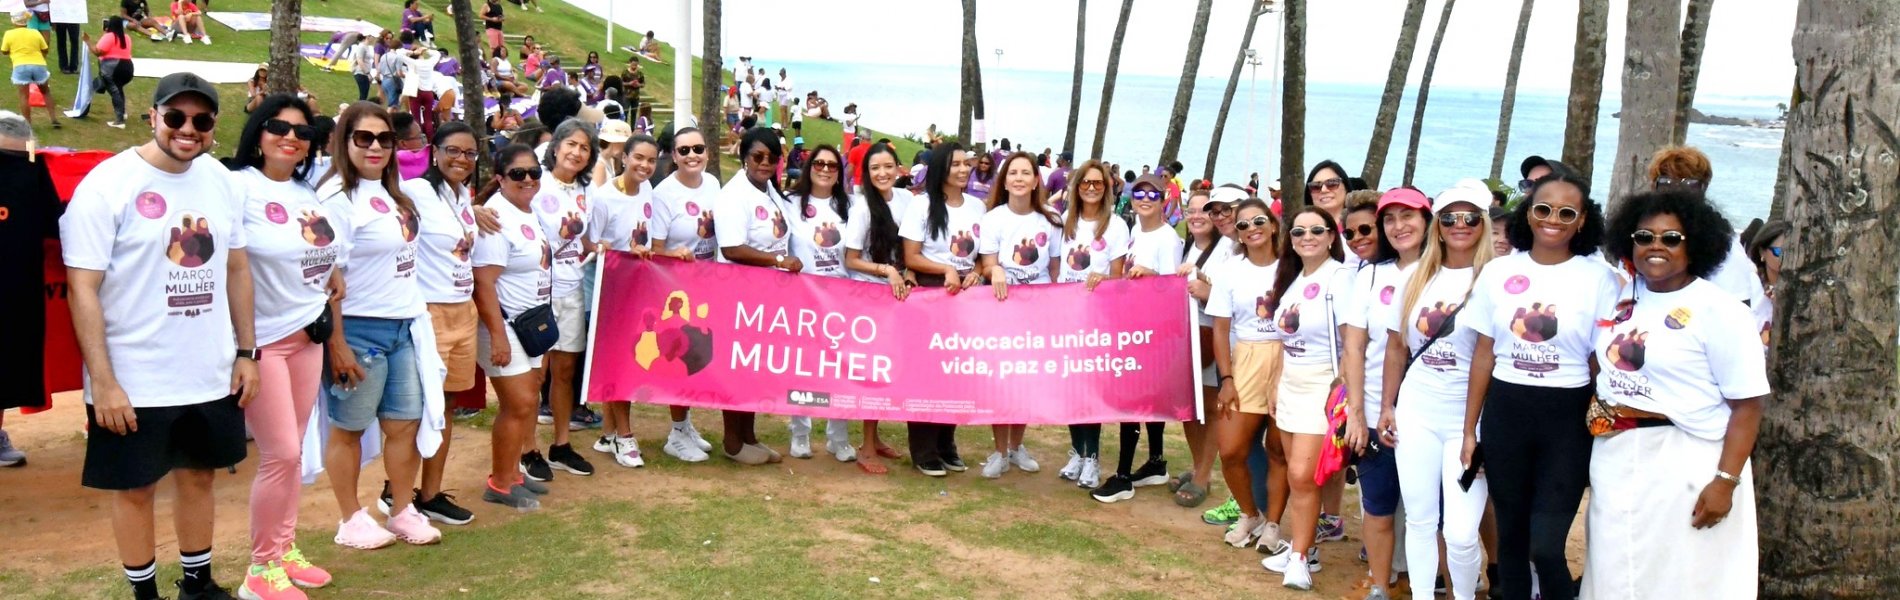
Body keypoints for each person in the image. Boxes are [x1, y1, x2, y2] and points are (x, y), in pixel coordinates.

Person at [62, 72, 252, 600]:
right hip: (134, 376)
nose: (188, 129)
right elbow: (82, 288)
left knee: (200, 476)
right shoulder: (107, 185)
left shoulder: (221, 180)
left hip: (208, 368)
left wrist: (246, 351)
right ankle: (144, 594)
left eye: (201, 120)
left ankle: (198, 584)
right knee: (135, 486)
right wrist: (104, 381)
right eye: (175, 117)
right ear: (153, 117)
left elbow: (237, 268)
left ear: (213, 125)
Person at [1583, 188, 1768, 598]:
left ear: (1695, 244)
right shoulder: (1621, 298)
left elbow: (1748, 406)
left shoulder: (1722, 311)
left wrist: (1725, 482)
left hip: (1686, 459)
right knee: (1617, 569)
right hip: (1615, 455)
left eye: (1671, 238)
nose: (1656, 247)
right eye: (1644, 237)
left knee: (1683, 574)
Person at [1459, 172, 1618, 600]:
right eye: (1544, 209)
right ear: (1528, 214)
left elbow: (1601, 360)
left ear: (1582, 221)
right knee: (1510, 539)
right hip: (1506, 411)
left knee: (1545, 548)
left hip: (1567, 418)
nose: (1553, 220)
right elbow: (1484, 354)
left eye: (1566, 213)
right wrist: (1470, 430)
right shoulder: (1498, 272)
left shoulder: (1600, 278)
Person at [225, 93, 339, 600]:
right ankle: (260, 569)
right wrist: (244, 350)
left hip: (306, 336)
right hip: (262, 343)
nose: (290, 137)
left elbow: (315, 245)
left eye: (302, 131)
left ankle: (284, 548)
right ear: (258, 131)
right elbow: (231, 265)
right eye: (278, 127)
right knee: (281, 454)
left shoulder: (304, 188)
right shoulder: (236, 186)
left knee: (292, 454)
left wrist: (332, 271)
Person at [318, 101, 443, 551]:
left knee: (404, 424)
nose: (375, 147)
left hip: (404, 327)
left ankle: (402, 509)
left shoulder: (397, 194)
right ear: (344, 141)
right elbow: (327, 278)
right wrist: (337, 343)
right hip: (357, 329)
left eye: (384, 138)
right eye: (364, 138)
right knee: (348, 428)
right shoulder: (335, 200)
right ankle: (350, 518)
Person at [1379, 184, 1496, 600]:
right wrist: (1387, 406)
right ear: (1437, 227)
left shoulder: (1496, 279)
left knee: (1462, 533)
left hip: (1472, 420)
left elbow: (1493, 356)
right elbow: (1396, 347)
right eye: (1449, 218)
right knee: (1420, 520)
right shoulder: (1415, 277)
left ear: (1484, 223)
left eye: (1470, 217)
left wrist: (1474, 431)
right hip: (1417, 412)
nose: (1459, 225)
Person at [1338, 184, 1439, 600]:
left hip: (1431, 409)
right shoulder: (1371, 276)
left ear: (1427, 221)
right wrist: (1356, 412)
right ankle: (1381, 584)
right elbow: (1354, 347)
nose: (1399, 227)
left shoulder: (1446, 273)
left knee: (1431, 513)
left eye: (1408, 216)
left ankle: (1434, 583)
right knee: (1377, 503)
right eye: (1390, 219)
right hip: (1375, 410)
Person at [385, 121, 486, 527]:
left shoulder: (461, 195)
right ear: (435, 151)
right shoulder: (415, 191)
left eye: (470, 153)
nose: (462, 159)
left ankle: (430, 494)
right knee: (420, 407)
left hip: (463, 309)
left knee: (447, 406)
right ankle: (396, 491)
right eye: (453, 151)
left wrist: (477, 210)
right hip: (430, 312)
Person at [1256, 205, 1347, 591]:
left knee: (1301, 474)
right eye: (1298, 232)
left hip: (1322, 386)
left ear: (1331, 236)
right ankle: (1302, 547)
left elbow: (1353, 341)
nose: (1307, 238)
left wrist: (1342, 389)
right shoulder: (1292, 279)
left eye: (1316, 230)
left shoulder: (1340, 277)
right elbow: (1284, 341)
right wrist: (1275, 385)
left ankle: (1299, 560)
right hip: (1291, 386)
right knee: (1298, 477)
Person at [587, 134, 683, 468]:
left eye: (651, 160)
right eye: (638, 158)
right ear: (624, 157)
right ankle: (625, 437)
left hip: (637, 289)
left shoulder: (647, 191)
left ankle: (608, 433)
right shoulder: (603, 198)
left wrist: (670, 254)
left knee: (623, 360)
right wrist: (617, 253)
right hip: (610, 290)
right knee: (619, 363)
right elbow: (591, 246)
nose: (644, 165)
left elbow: (646, 243)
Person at [1090, 174, 1180, 503]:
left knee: (1133, 401)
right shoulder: (1136, 231)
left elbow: (1173, 288)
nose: (1145, 199)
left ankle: (1123, 476)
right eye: (1139, 193)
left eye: (1152, 195)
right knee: (1145, 400)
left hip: (1153, 331)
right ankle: (1156, 461)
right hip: (1134, 324)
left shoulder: (1168, 238)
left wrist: (1152, 276)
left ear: (1164, 199)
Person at [472, 143, 550, 510]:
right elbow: (483, 282)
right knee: (517, 403)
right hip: (505, 325)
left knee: (528, 400)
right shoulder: (496, 219)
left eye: (534, 172)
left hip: (530, 324)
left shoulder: (528, 211)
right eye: (518, 173)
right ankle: (500, 483)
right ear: (500, 178)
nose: (528, 179)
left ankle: (513, 472)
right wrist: (498, 336)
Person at [974, 152, 1059, 479]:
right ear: (1005, 181)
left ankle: (1016, 446)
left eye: (1026, 173)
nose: (1019, 178)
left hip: (1038, 310)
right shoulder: (993, 218)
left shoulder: (1051, 218)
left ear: (1036, 180)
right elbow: (987, 262)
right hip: (1002, 307)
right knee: (1002, 378)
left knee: (1026, 379)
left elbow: (1055, 267)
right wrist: (994, 270)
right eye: (1013, 173)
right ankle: (999, 451)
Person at [712, 126, 795, 465]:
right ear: (744, 157)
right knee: (738, 366)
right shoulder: (733, 196)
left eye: (772, 158)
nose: (765, 163)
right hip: (740, 292)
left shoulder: (769, 189)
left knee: (754, 366)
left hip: (767, 293)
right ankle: (733, 441)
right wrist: (778, 261)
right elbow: (731, 248)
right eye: (758, 156)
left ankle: (749, 435)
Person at [899, 141, 982, 476]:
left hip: (966, 297)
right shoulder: (921, 205)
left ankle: (947, 443)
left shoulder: (977, 206)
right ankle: (924, 449)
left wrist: (977, 271)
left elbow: (984, 254)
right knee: (927, 372)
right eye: (954, 164)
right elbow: (911, 256)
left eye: (965, 164)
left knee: (957, 373)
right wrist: (945, 269)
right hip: (931, 294)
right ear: (940, 169)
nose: (963, 170)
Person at [1206, 195, 1283, 545]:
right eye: (1243, 224)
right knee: (1231, 450)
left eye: (1259, 221)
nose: (1252, 228)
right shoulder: (1230, 270)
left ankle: (1274, 524)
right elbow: (1221, 329)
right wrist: (1226, 378)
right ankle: (1250, 513)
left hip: (1288, 357)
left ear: (1273, 224)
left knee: (1279, 451)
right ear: (1237, 233)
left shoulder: (1292, 264)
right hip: (1247, 357)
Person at [525, 119, 600, 479]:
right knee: (535, 373)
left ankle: (561, 445)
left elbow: (582, 238)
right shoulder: (534, 182)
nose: (576, 152)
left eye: (584, 147)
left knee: (565, 371)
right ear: (555, 147)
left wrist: (597, 247)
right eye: (571, 144)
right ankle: (527, 449)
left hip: (572, 288)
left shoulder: (587, 190)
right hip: (539, 292)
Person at [777, 144, 861, 462]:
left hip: (842, 297)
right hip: (803, 296)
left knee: (840, 368)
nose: (825, 169)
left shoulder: (851, 205)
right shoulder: (789, 203)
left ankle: (838, 436)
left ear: (839, 172)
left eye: (832, 165)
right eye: (819, 164)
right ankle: (800, 432)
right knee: (803, 366)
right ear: (809, 166)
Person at [1050, 159, 1129, 490]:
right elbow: (1055, 266)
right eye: (1086, 182)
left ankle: (1092, 457)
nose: (1092, 188)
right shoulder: (1065, 221)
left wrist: (1103, 281)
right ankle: (1078, 452)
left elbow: (1118, 276)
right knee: (1070, 388)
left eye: (1098, 183)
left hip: (1097, 318)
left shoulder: (1116, 226)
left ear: (1107, 187)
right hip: (1067, 314)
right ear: (1077, 186)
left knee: (1089, 389)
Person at [837, 142, 914, 474]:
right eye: (874, 168)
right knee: (873, 370)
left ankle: (877, 438)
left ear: (898, 168)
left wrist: (907, 272)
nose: (882, 173)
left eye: (887, 166)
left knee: (892, 368)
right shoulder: (862, 208)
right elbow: (851, 259)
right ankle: (866, 447)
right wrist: (887, 270)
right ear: (865, 173)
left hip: (898, 295)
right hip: (869, 297)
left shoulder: (907, 200)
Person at [649, 126, 719, 462]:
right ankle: (675, 434)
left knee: (699, 355)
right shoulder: (663, 194)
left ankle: (685, 424)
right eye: (684, 150)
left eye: (698, 149)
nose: (692, 156)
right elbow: (654, 248)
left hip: (707, 283)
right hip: (674, 290)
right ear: (674, 156)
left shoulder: (714, 184)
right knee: (680, 356)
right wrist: (674, 255)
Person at [1174, 187, 1238, 508]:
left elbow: (1233, 294)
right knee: (1190, 406)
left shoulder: (1228, 247)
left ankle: (1202, 475)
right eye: (1192, 210)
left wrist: (1206, 290)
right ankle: (1199, 464)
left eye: (1205, 210)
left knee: (1210, 407)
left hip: (1214, 335)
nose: (1197, 216)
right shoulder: (1186, 247)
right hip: (1187, 335)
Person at [3, 12, 56, 128]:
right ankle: (54, 119)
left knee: (24, 96)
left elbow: (4, 51)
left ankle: (28, 123)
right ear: (26, 21)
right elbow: (45, 49)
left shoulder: (9, 34)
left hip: (20, 65)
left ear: (13, 21)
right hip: (38, 64)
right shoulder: (35, 33)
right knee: (46, 92)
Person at [80, 17, 135, 129]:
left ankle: (119, 120)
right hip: (128, 67)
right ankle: (122, 113)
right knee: (118, 89)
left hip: (113, 68)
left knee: (114, 91)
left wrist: (88, 41)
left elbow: (98, 51)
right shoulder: (127, 37)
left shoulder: (109, 36)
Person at [1745, 219, 1789, 352]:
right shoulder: (1748, 284)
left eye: (1792, 251)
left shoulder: (1802, 290)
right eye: (1780, 252)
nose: (1787, 257)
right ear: (1762, 252)